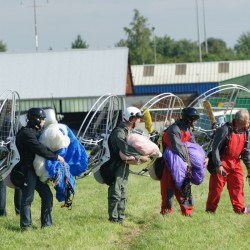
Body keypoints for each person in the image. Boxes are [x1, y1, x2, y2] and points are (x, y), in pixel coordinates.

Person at [15, 108, 64, 231]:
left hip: (37, 170)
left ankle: (47, 224)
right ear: (35, 119)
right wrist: (56, 157)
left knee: (47, 195)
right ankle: (26, 226)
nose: (43, 121)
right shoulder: (26, 133)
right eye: (42, 119)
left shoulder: (35, 132)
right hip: (27, 170)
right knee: (28, 198)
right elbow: (39, 148)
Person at [107, 106, 150, 224]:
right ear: (131, 118)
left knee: (123, 192)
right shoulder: (119, 132)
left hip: (124, 165)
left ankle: (120, 218)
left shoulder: (129, 131)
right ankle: (113, 219)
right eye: (137, 118)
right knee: (116, 192)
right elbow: (125, 148)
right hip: (115, 166)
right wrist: (140, 157)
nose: (139, 121)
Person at [160, 107, 206, 216]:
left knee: (185, 189)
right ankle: (166, 214)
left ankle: (187, 213)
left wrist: (202, 158)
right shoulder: (174, 129)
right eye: (195, 119)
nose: (196, 122)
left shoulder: (188, 129)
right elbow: (178, 148)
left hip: (185, 165)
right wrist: (190, 162)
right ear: (189, 119)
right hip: (169, 166)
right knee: (168, 191)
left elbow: (194, 147)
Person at [206, 109, 250, 214]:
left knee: (238, 186)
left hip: (236, 162)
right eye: (247, 120)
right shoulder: (225, 130)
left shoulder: (246, 132)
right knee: (216, 188)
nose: (248, 122)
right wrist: (218, 165)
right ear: (240, 121)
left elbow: (246, 152)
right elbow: (215, 148)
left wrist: (249, 168)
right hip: (223, 161)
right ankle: (210, 211)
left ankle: (239, 210)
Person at [0, 101, 22, 216]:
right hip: (14, 154)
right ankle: (19, 210)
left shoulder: (2, 120)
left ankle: (2, 212)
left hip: (2, 154)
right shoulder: (14, 120)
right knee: (18, 182)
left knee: (1, 182)